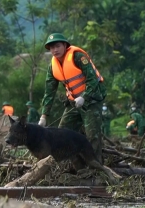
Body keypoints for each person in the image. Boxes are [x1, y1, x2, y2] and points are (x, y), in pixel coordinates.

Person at [38, 33, 106, 162]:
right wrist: (44, 115)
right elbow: (49, 91)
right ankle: (72, 164)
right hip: (74, 102)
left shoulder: (78, 57)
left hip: (91, 99)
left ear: (65, 45)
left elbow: (93, 80)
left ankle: (96, 168)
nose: (55, 50)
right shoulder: (52, 66)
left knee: (92, 135)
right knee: (62, 133)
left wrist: (84, 97)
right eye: (51, 48)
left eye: (57, 46)